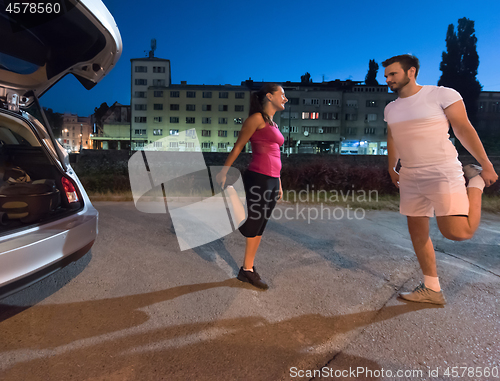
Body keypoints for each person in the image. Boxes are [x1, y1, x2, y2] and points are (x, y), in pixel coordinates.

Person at [383, 54, 498, 305]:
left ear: (411, 71)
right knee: (417, 230)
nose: (387, 79)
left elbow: (463, 128)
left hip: (441, 170)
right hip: (411, 174)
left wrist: (486, 165)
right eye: (386, 75)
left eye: (393, 74)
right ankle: (432, 288)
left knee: (458, 232)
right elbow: (393, 138)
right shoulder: (390, 108)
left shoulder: (441, 94)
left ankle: (475, 184)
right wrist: (393, 166)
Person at [216, 83, 287, 290]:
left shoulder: (273, 124)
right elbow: (239, 145)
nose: (286, 98)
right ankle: (230, 195)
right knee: (250, 226)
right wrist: (223, 171)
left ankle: (247, 269)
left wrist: (280, 183)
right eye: (282, 94)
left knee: (260, 227)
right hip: (259, 177)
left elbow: (276, 155)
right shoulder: (256, 119)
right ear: (269, 96)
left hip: (272, 180)